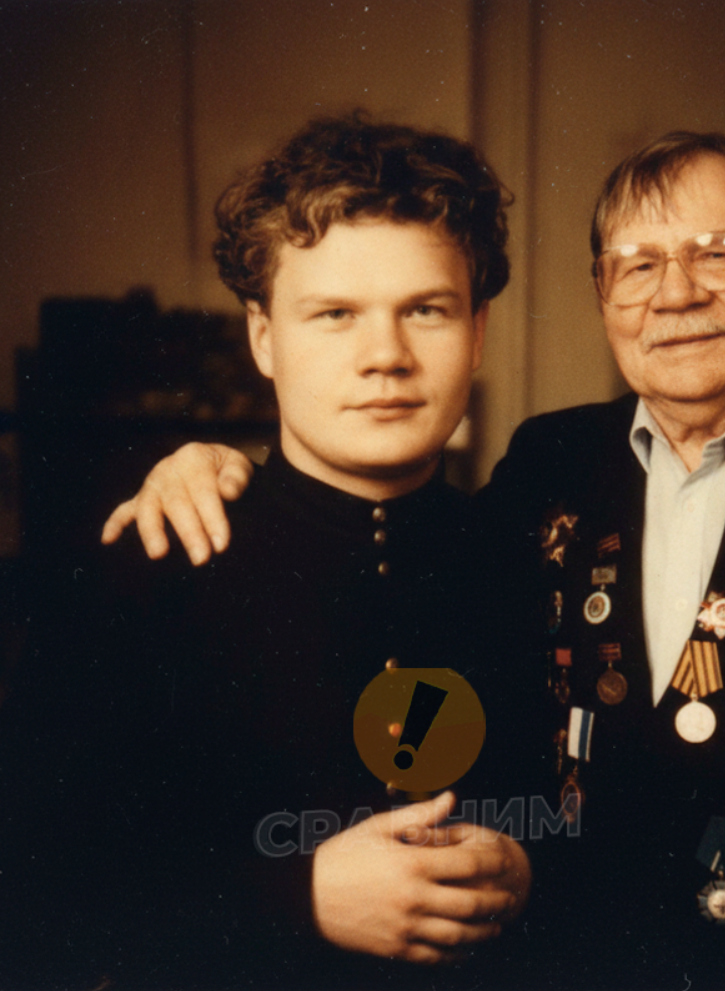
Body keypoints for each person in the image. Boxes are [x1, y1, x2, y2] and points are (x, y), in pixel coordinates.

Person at [102, 132, 725, 988]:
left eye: (719, 254)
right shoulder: (548, 472)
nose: (676, 294)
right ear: (603, 292)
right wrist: (216, 468)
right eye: (637, 264)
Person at [0, 115, 532, 989]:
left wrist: (536, 872)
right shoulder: (148, 563)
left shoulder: (529, 557)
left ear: (476, 332)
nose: (386, 356)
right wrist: (298, 896)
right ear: (262, 337)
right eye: (334, 315)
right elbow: (27, 903)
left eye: (425, 310)